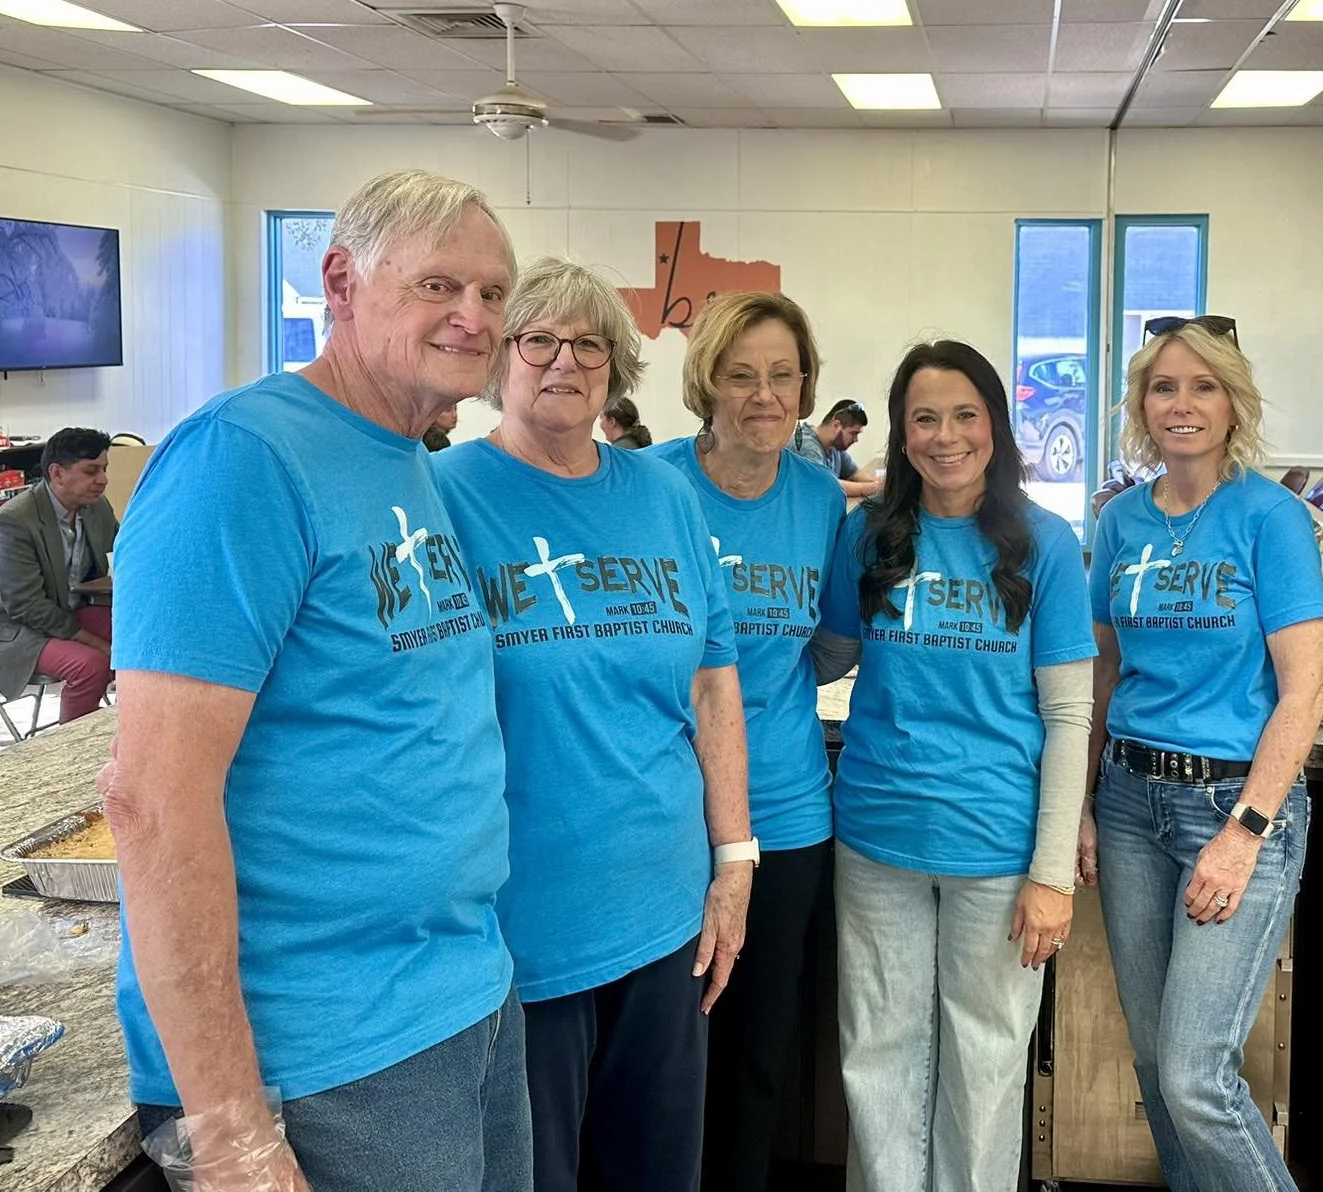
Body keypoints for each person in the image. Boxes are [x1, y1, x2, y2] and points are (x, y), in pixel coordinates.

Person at [105, 170, 527, 1192]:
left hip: (461, 994)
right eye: (437, 286)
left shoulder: (404, 457)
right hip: (328, 1053)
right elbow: (153, 801)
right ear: (340, 282)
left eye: (491, 292)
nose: (473, 317)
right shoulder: (241, 459)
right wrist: (231, 1130)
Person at [434, 255, 749, 1192]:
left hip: (666, 911)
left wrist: (735, 863)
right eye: (537, 340)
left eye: (590, 344)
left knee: (658, 1173)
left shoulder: (664, 496)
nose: (564, 362)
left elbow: (713, 687)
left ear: (618, 366)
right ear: (500, 358)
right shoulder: (442, 496)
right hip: (516, 925)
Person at [817, 340, 1094, 1192]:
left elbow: (1069, 713)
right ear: (901, 435)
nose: (946, 437)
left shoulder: (1044, 543)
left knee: (985, 1069)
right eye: (925, 419)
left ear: (996, 426)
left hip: (997, 850)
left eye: (965, 415)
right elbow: (826, 656)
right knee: (877, 1062)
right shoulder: (868, 535)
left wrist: (1053, 873)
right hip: (877, 837)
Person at [1077, 323, 1323, 1191]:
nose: (1181, 404)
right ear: (1141, 407)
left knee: (1196, 1077)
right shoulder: (1120, 521)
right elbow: (1103, 672)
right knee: (1156, 1066)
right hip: (1127, 801)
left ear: (1233, 404)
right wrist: (1081, 804)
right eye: (1163, 388)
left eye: (1203, 387)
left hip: (1232, 808)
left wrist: (1245, 831)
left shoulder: (1270, 517)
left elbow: (1305, 689)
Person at [649, 290, 846, 1192]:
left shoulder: (820, 498)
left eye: (783, 375)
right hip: (666, 818)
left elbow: (832, 642)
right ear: (706, 383)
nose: (764, 395)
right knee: (665, 1057)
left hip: (786, 815)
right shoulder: (650, 485)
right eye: (741, 375)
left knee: (758, 1055)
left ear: (805, 385)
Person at [0, 426, 118, 723]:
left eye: (104, 469)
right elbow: (25, 605)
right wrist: (98, 644)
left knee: (141, 637)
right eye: (91, 471)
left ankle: (130, 731)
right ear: (57, 474)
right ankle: (73, 746)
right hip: (12, 629)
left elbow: (121, 555)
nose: (103, 480)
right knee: (92, 665)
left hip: (64, 612)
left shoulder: (96, 508)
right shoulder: (13, 521)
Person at [789, 399, 877, 500]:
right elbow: (825, 485)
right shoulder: (806, 446)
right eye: (853, 433)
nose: (856, 439)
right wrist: (872, 488)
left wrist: (876, 482)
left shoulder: (834, 446)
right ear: (836, 425)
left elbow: (853, 473)